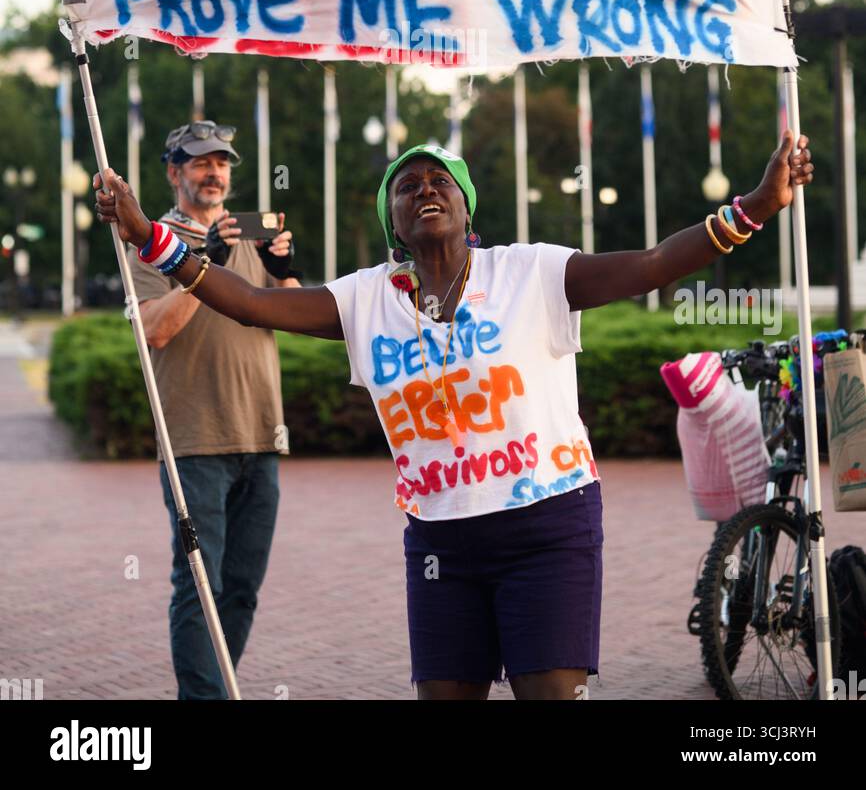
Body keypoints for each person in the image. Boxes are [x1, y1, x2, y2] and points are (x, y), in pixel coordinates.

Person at [96, 124, 814, 702]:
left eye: (442, 181)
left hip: (548, 527)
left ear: (469, 210)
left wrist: (755, 205)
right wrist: (143, 233)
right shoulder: (364, 299)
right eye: (407, 187)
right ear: (394, 224)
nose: (426, 189)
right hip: (441, 543)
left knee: (550, 693)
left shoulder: (530, 273)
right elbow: (248, 303)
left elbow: (655, 263)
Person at [126, 119, 300, 701]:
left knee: (243, 588)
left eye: (222, 162)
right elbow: (154, 331)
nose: (214, 172)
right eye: (200, 162)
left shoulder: (245, 236)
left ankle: (217, 691)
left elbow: (297, 314)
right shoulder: (150, 242)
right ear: (174, 172)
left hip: (261, 435)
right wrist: (203, 270)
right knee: (200, 584)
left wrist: (283, 273)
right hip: (195, 443)